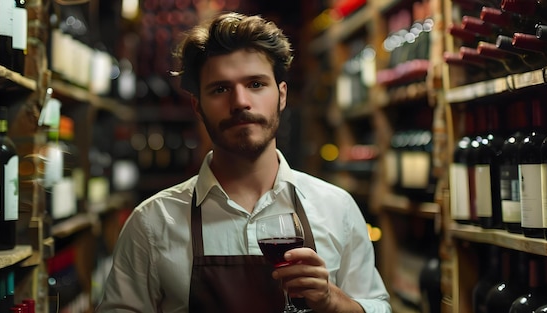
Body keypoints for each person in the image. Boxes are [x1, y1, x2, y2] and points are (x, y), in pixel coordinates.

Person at [96, 11, 391, 313]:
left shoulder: (336, 208)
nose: (240, 102)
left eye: (255, 84)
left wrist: (332, 300)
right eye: (220, 89)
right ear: (198, 106)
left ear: (282, 95)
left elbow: (378, 306)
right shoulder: (152, 222)